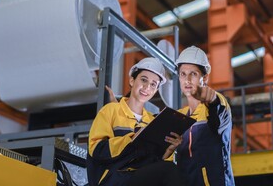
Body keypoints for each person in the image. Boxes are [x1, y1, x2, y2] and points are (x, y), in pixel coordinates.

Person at [86, 57, 183, 186]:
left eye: (153, 84)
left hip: (139, 178)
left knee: (176, 170)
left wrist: (168, 151)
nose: (147, 87)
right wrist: (130, 139)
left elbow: (157, 164)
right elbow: (96, 149)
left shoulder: (153, 121)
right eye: (144, 80)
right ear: (132, 80)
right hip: (113, 178)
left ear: (155, 91)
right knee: (169, 170)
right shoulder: (111, 110)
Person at [175, 46, 235, 186]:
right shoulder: (180, 116)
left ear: (205, 77)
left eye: (194, 74)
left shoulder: (217, 105)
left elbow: (217, 114)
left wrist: (213, 100)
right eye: (183, 74)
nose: (187, 80)